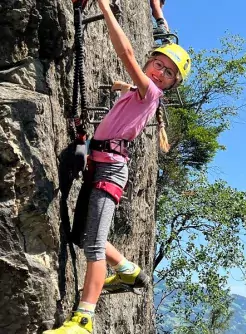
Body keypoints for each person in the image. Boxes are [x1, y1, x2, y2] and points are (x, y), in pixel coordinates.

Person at [43, 0, 191, 331]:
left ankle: (83, 320)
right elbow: (135, 91)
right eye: (158, 64)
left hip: (110, 170)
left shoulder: (150, 91)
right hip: (103, 165)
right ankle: (126, 269)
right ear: (151, 61)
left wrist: (105, 7)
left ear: (169, 84)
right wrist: (124, 88)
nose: (159, 72)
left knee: (93, 245)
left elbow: (125, 53)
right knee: (83, 235)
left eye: (168, 73)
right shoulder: (145, 93)